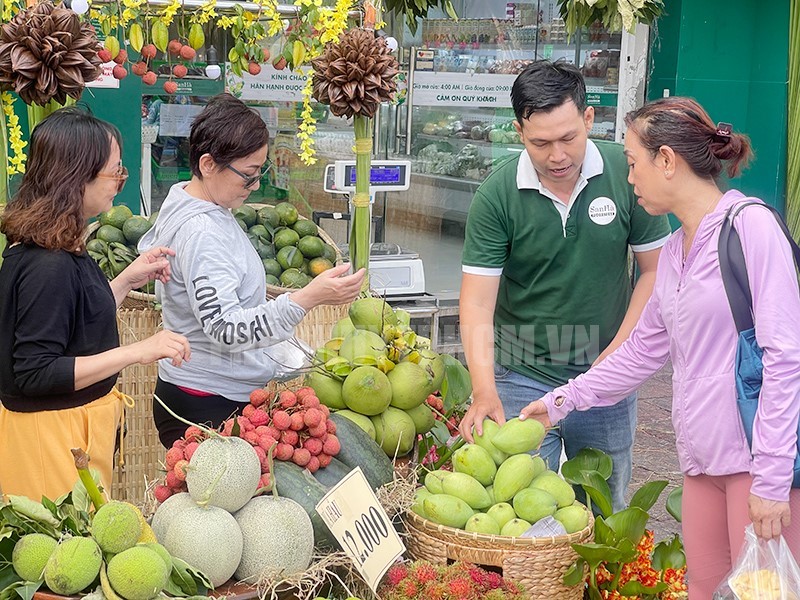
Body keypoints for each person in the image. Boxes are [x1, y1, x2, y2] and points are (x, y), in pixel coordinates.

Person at [520, 96, 800, 598]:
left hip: (758, 465)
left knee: (765, 592)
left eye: (632, 164)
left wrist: (773, 480)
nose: (629, 179)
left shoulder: (752, 228)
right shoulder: (674, 251)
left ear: (666, 160)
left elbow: (786, 356)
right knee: (704, 588)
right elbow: (640, 352)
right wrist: (560, 403)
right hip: (700, 463)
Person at [457, 59, 671, 512]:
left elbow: (655, 272)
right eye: (541, 143)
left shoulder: (628, 174)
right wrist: (483, 388)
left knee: (602, 509)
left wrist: (617, 358)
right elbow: (477, 303)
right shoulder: (497, 195)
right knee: (517, 510)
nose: (557, 156)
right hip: (520, 376)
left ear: (589, 118)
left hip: (605, 381)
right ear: (519, 132)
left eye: (568, 138)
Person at [138, 93, 365, 448]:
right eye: (248, 175)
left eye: (261, 173)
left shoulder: (195, 203)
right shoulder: (203, 233)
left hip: (205, 391)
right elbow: (225, 328)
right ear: (209, 164)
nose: (256, 185)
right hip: (206, 402)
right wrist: (306, 298)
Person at [0, 107, 191, 501]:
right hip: (48, 441)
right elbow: (37, 372)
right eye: (116, 171)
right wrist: (137, 351)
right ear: (76, 176)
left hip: (69, 433)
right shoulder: (47, 264)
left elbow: (75, 322)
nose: (120, 182)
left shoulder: (62, 244)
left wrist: (125, 280)